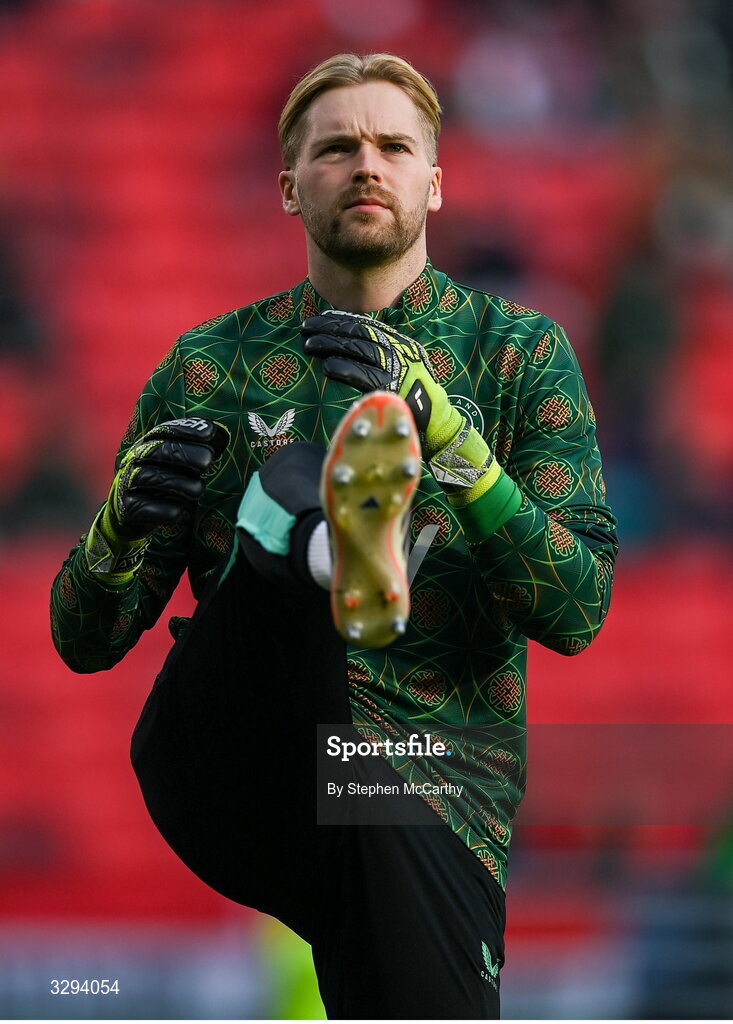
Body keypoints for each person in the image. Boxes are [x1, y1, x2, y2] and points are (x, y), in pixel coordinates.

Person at [51, 53, 618, 1018]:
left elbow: (577, 610)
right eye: (337, 148)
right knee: (284, 513)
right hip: (244, 759)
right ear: (287, 186)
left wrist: (457, 447)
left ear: (434, 183)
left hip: (424, 783)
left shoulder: (516, 353)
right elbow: (83, 640)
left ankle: (313, 538)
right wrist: (116, 533)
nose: (367, 165)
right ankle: (307, 540)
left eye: (394, 147)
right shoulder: (210, 367)